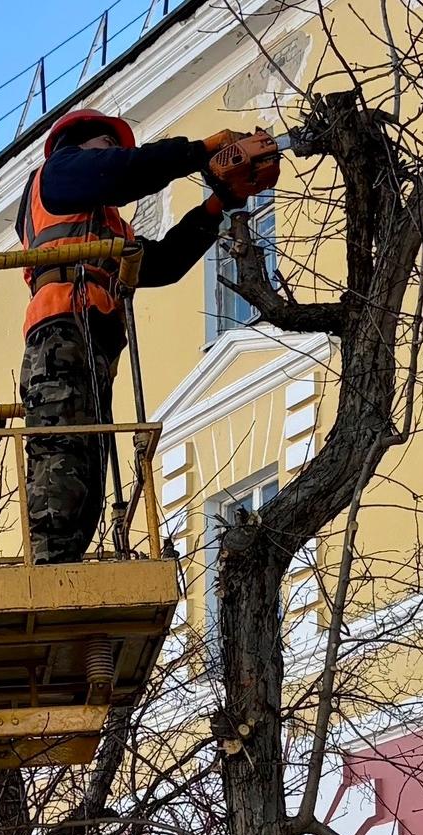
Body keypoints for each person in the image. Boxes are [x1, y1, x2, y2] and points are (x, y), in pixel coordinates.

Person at [17, 108, 281, 564]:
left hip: (89, 343)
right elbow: (125, 172)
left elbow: (162, 264)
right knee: (62, 458)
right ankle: (49, 567)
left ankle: (64, 564)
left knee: (87, 468)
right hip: (59, 332)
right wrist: (201, 151)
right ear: (77, 144)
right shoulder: (57, 176)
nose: (116, 153)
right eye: (107, 145)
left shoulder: (104, 222)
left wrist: (217, 204)